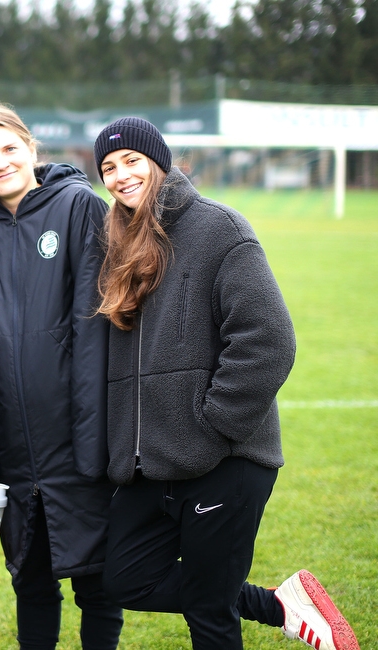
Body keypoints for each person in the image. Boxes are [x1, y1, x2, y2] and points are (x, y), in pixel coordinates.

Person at [92, 116, 360, 650]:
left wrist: (214, 425)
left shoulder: (219, 228)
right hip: (152, 465)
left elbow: (270, 339)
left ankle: (265, 606)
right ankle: (281, 606)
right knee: (124, 578)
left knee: (210, 615)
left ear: (159, 162)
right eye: (107, 167)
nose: (120, 175)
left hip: (224, 458)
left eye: (131, 161)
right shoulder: (120, 246)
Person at [0, 104, 124, 650]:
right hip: (13, 450)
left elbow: (91, 328)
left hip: (78, 442)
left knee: (96, 584)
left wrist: (91, 443)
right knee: (30, 581)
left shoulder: (77, 207)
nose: (0, 162)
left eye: (9, 149)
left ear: (31, 149)